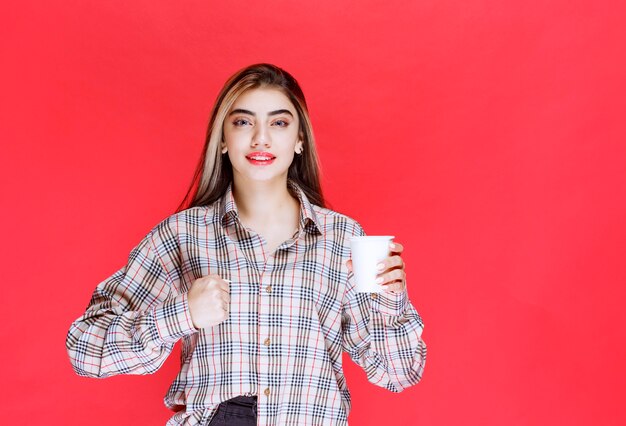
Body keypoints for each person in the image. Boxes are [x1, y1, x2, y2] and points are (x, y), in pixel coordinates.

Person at [66, 63, 427, 426]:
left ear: (300, 139)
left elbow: (399, 374)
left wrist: (391, 301)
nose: (260, 138)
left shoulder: (343, 240)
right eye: (242, 122)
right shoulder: (182, 235)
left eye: (279, 123)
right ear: (222, 139)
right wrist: (182, 315)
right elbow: (85, 350)